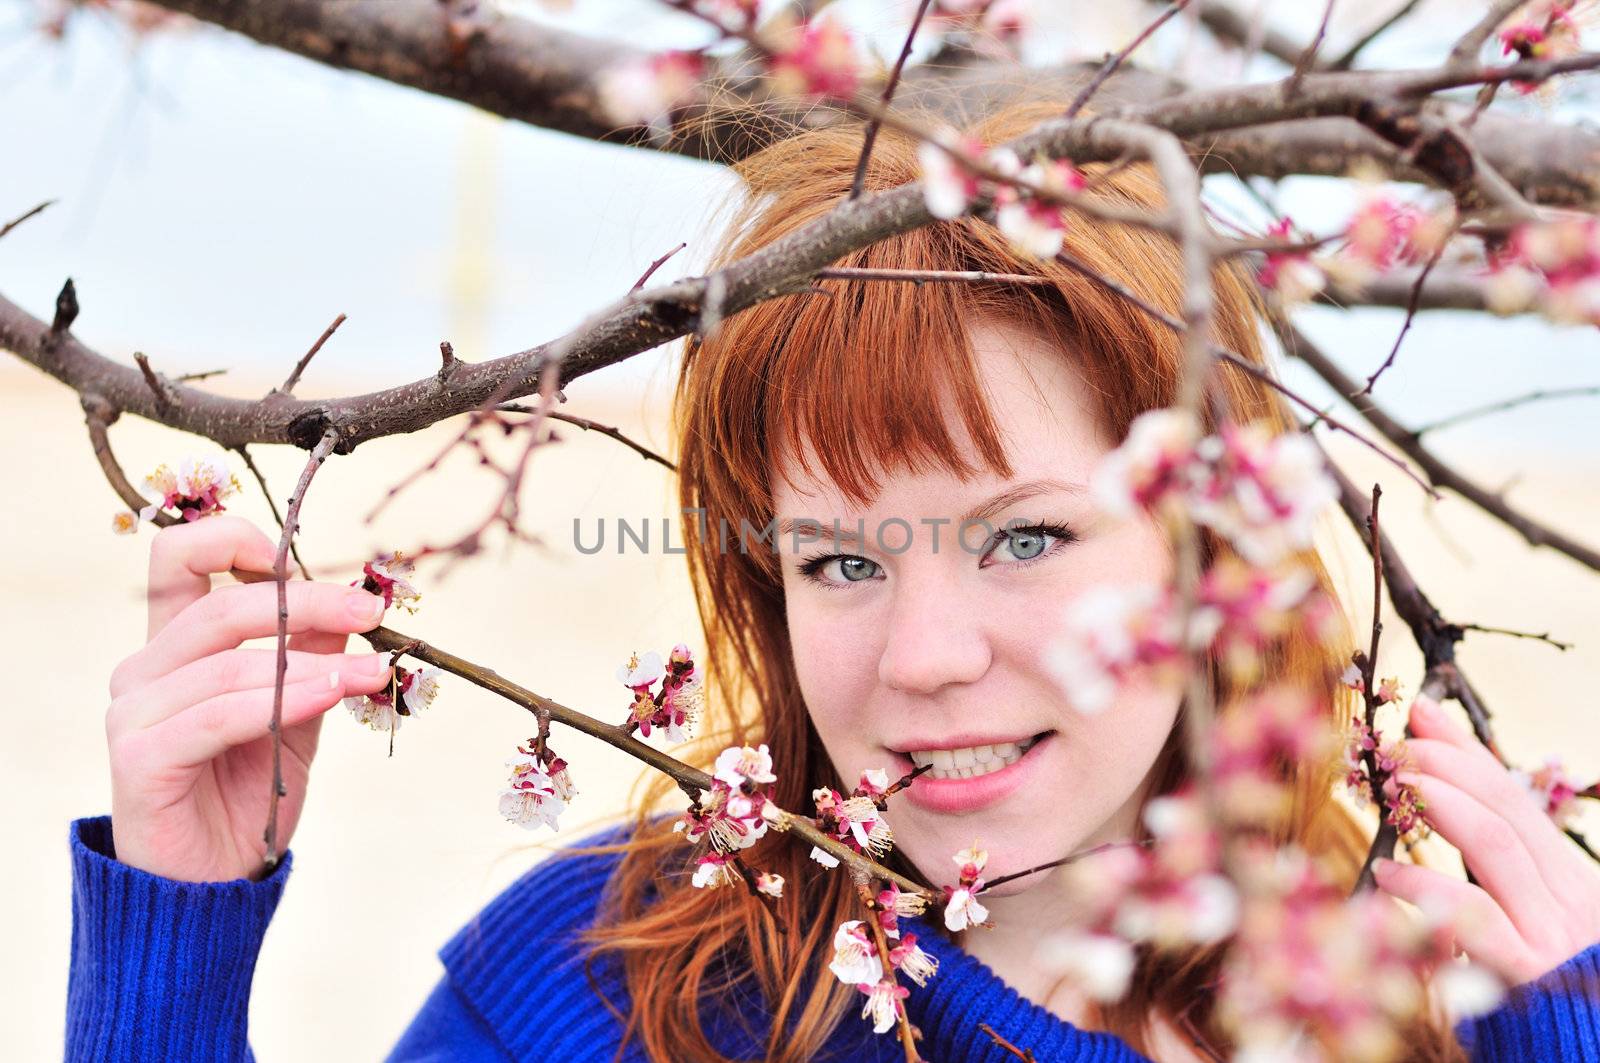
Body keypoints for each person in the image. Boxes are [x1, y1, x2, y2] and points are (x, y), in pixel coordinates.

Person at [67, 102, 1600, 1063]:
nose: (923, 657)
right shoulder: (610, 1000)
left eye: (1024, 538)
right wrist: (176, 960)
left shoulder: (1434, 1014)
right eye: (844, 560)